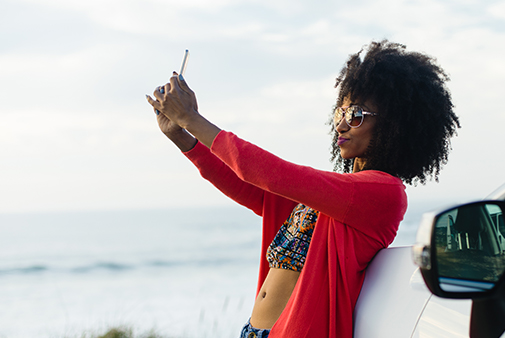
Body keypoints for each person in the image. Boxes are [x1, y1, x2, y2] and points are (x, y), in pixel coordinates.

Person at [146, 40, 459, 338]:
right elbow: (253, 188)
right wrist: (182, 137)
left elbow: (271, 174)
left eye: (356, 115)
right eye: (342, 113)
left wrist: (192, 118)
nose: (341, 125)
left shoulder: (382, 193)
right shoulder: (335, 197)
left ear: (395, 125)